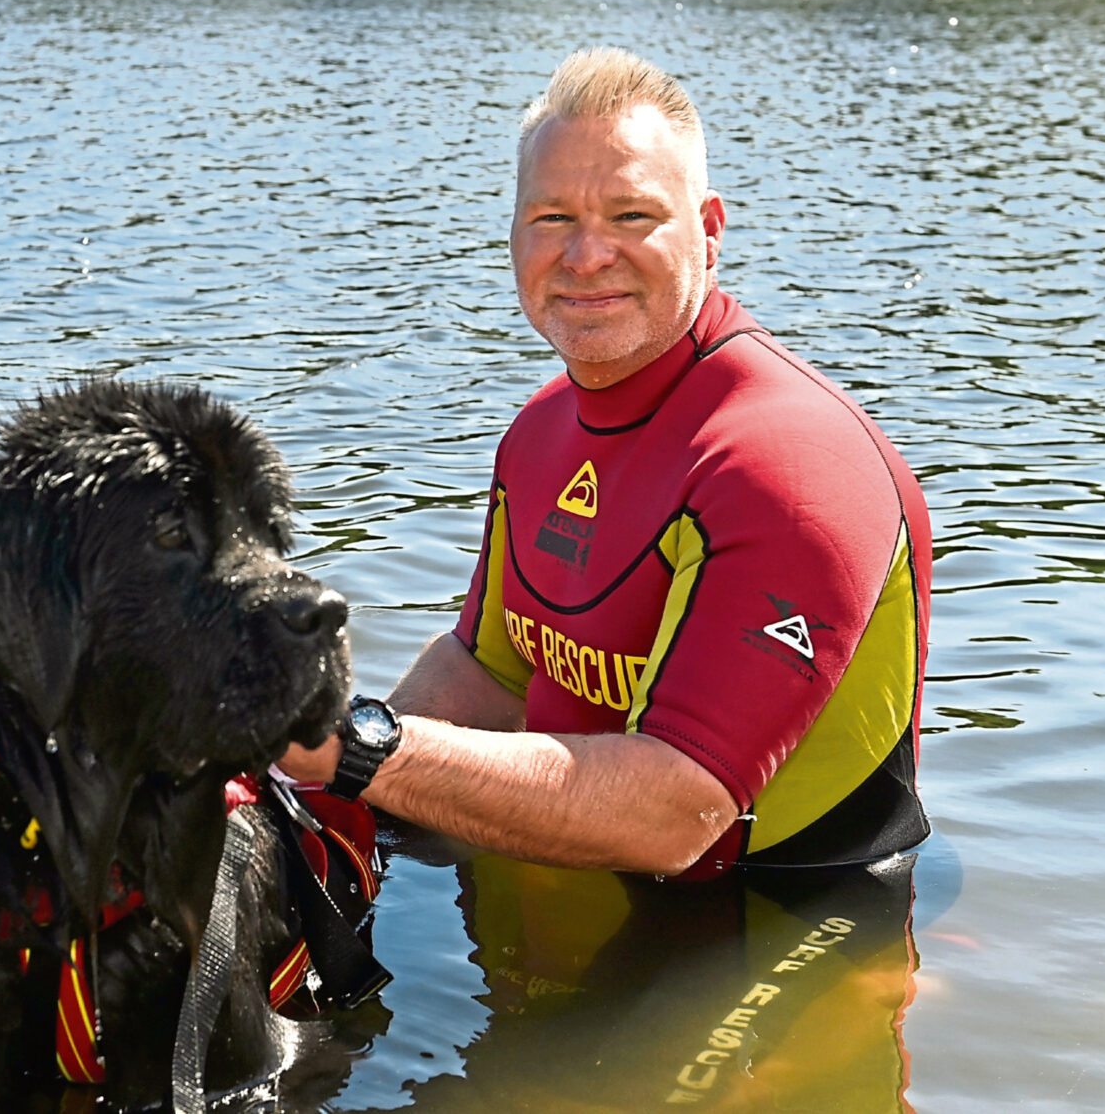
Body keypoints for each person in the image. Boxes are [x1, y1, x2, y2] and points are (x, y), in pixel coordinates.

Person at [285, 48, 931, 880]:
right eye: (552, 216)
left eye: (632, 216)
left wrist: (357, 749)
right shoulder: (540, 430)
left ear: (709, 230)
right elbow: (489, 673)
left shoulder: (790, 467)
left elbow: (673, 815)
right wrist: (313, 793)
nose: (586, 255)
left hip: (787, 917)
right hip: (587, 873)